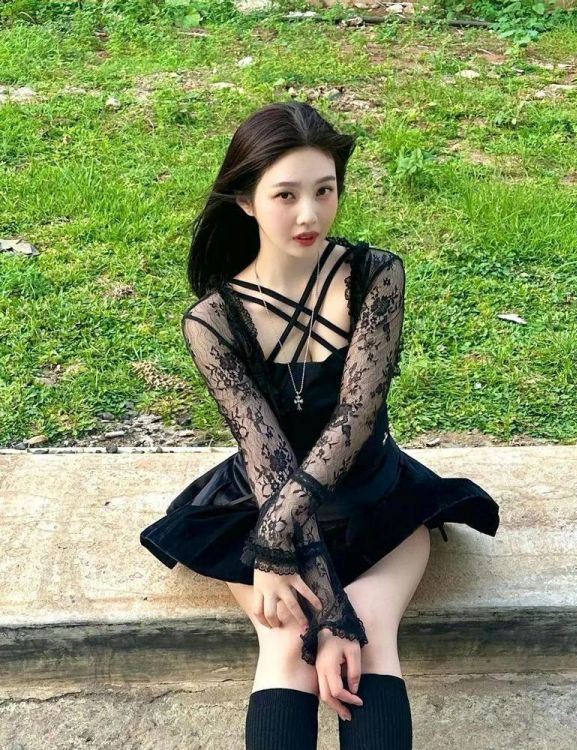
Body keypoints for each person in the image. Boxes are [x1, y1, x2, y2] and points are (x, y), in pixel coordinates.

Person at [140, 101, 500, 749]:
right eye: (285, 195)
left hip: (373, 498)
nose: (309, 214)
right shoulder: (214, 322)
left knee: (369, 634)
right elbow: (268, 457)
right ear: (246, 201)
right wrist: (312, 592)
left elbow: (356, 418)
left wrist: (303, 575)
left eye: (324, 191)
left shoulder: (374, 275)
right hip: (262, 501)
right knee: (288, 645)